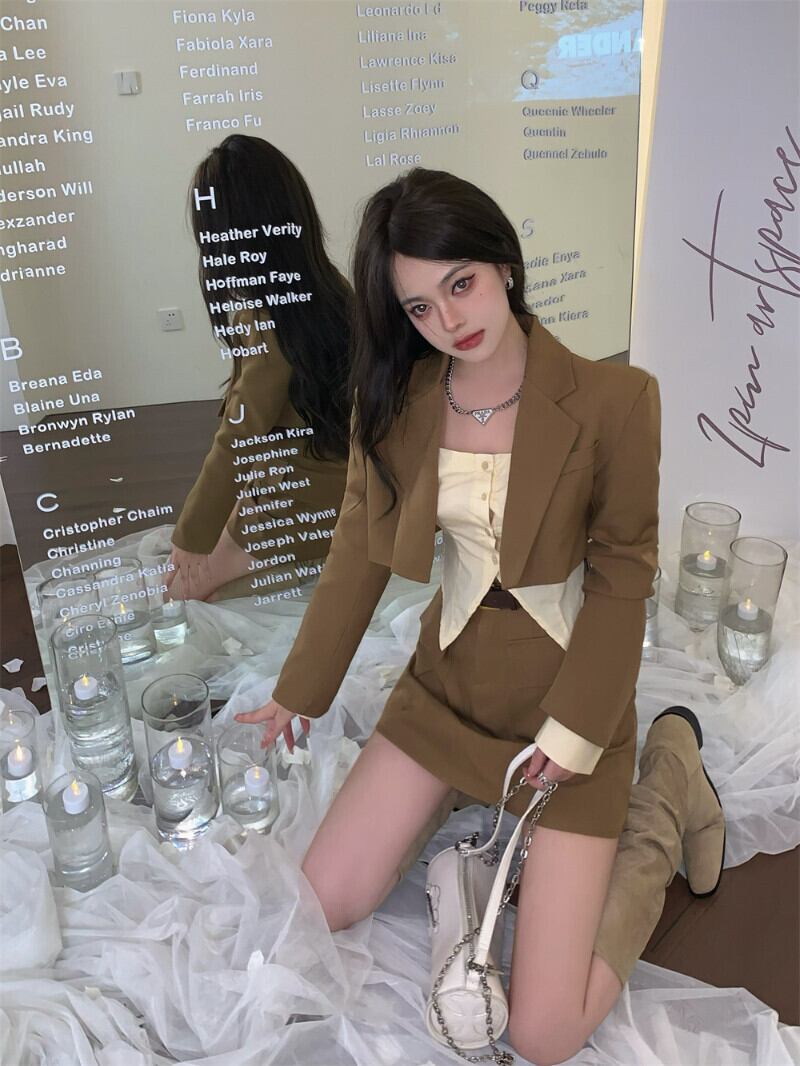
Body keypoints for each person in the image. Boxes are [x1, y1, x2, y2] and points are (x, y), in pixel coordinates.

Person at [237, 168, 726, 1064]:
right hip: (448, 687)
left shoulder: (616, 401)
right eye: (420, 307)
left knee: (543, 1034)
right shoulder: (396, 403)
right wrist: (300, 689)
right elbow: (359, 547)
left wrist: (578, 732)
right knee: (325, 899)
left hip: (565, 704)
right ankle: (451, 816)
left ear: (503, 263)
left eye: (460, 283)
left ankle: (667, 782)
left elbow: (623, 574)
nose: (449, 320)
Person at [166, 135, 352, 603]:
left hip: (304, 497)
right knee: (191, 571)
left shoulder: (269, 315)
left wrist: (192, 534)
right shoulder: (329, 288)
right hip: (320, 482)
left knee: (182, 591)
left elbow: (240, 432)